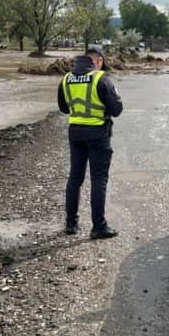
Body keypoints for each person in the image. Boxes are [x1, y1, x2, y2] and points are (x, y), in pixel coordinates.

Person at [57, 45, 124, 239]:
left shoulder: (66, 79)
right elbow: (116, 110)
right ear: (99, 61)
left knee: (75, 178)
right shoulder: (101, 79)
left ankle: (71, 224)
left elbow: (63, 108)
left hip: (75, 133)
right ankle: (98, 226)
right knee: (98, 180)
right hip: (98, 134)